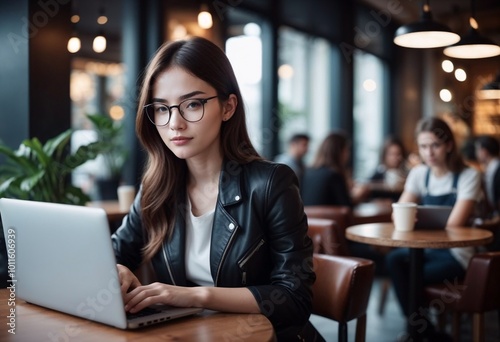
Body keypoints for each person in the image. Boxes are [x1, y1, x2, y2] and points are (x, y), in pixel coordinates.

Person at [110, 37, 319, 341]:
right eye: (161, 108)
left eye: (192, 104)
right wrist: (117, 269)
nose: (175, 123)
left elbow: (294, 299)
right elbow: (117, 252)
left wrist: (198, 297)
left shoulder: (272, 184)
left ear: (228, 106)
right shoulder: (157, 187)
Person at [386, 117, 481, 340]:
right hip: (426, 251)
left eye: (435, 145)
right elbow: (399, 210)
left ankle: (418, 331)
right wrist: (403, 214)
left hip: (456, 254)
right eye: (423, 146)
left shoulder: (469, 175)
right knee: (393, 261)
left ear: (448, 145)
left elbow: (453, 225)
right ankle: (426, 331)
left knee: (411, 276)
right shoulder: (420, 173)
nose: (429, 153)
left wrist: (414, 217)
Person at [301, 131, 368, 207]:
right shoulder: (334, 175)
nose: (348, 154)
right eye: (347, 150)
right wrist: (359, 194)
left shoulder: (308, 172)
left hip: (311, 218)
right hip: (331, 218)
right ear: (340, 152)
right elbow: (346, 207)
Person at [368, 136, 409, 201]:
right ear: (384, 155)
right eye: (391, 154)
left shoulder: (407, 175)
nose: (395, 158)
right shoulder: (378, 174)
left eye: (398, 154)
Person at [475, 135, 500, 217]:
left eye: (478, 149)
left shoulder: (497, 170)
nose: (476, 153)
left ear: (484, 151)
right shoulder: (489, 170)